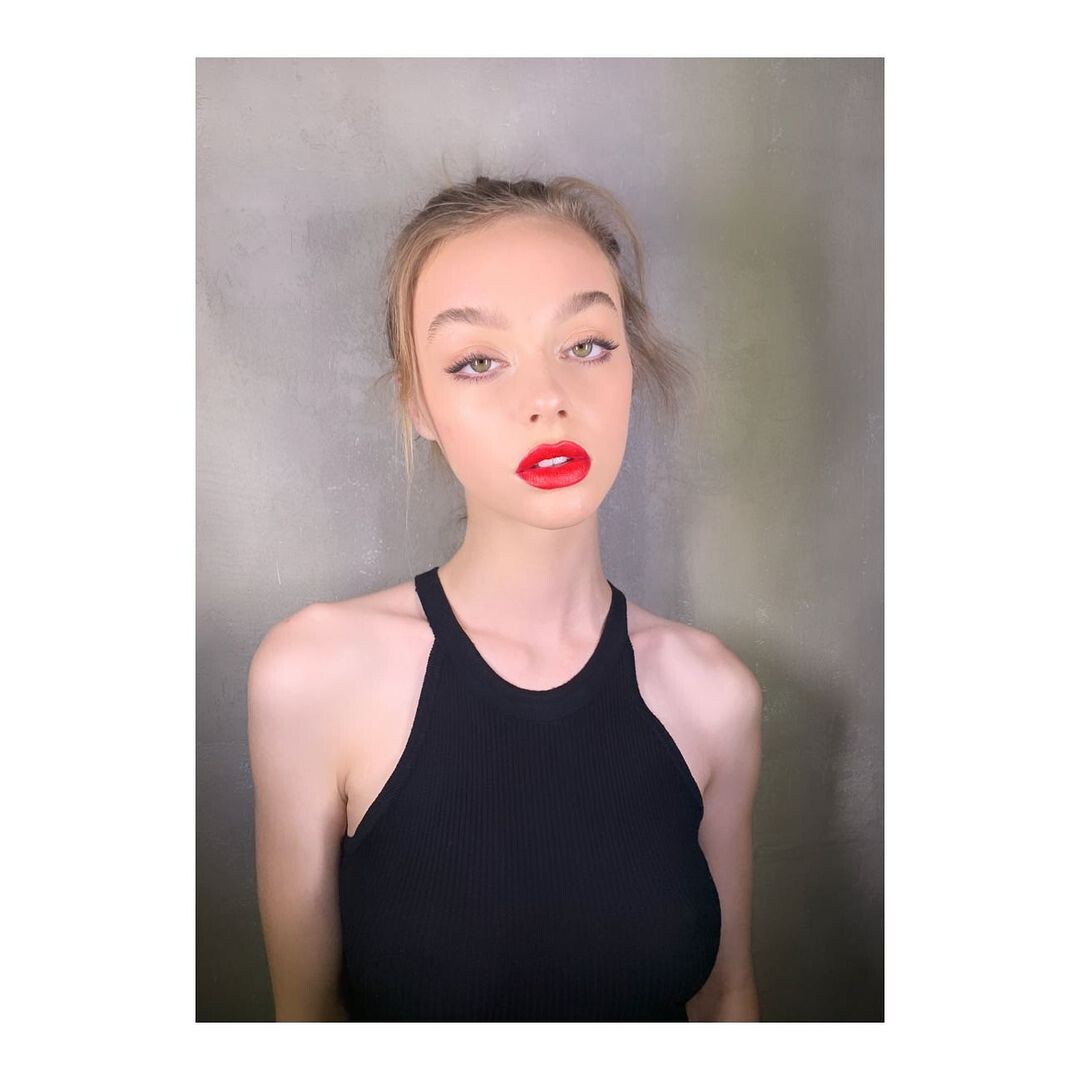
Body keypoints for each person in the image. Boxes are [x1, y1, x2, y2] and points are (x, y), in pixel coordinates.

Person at [247, 174, 763, 1021]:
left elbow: (726, 998)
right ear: (418, 403)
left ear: (632, 365)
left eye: (586, 344)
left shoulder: (714, 695)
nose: (548, 399)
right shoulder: (314, 676)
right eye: (477, 361)